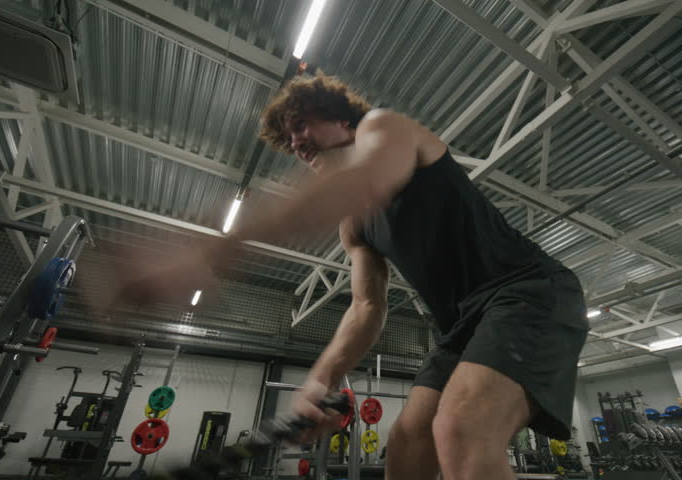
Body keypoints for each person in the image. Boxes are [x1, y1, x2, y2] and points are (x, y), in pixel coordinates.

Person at [108, 74, 588, 480]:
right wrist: (318, 383)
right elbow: (365, 309)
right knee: (406, 445)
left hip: (528, 292)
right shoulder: (354, 224)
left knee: (460, 428)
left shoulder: (387, 127)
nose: (295, 143)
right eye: (289, 139)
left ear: (342, 119)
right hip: (461, 328)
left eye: (302, 125)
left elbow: (365, 179)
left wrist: (214, 249)